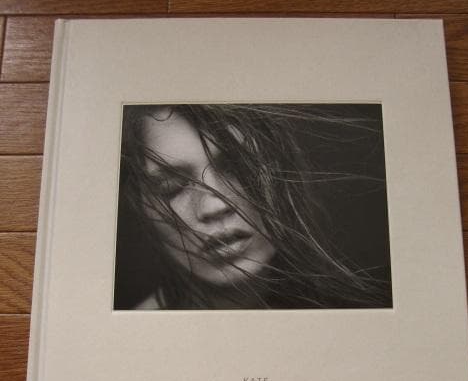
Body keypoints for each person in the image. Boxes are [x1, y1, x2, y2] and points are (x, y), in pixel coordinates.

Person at [116, 104, 391, 310]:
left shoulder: (357, 319)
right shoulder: (129, 347)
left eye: (239, 168)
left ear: (282, 171)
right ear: (139, 205)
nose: (214, 205)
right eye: (172, 187)